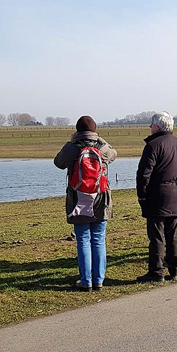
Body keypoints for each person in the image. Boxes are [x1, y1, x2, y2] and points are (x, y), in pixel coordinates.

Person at [54, 115, 117, 292]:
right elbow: (114, 154)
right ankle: (99, 280)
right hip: (101, 198)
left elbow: (58, 162)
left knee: (82, 239)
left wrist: (71, 142)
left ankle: (86, 280)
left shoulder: (71, 148)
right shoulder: (103, 147)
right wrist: (99, 138)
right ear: (95, 130)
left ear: (77, 130)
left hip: (78, 199)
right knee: (98, 239)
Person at [136, 112, 177, 283]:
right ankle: (175, 268)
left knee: (157, 236)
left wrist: (142, 195)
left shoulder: (153, 145)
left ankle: (157, 271)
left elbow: (144, 174)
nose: (150, 127)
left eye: (151, 125)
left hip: (157, 196)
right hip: (176, 194)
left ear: (157, 126)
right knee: (172, 234)